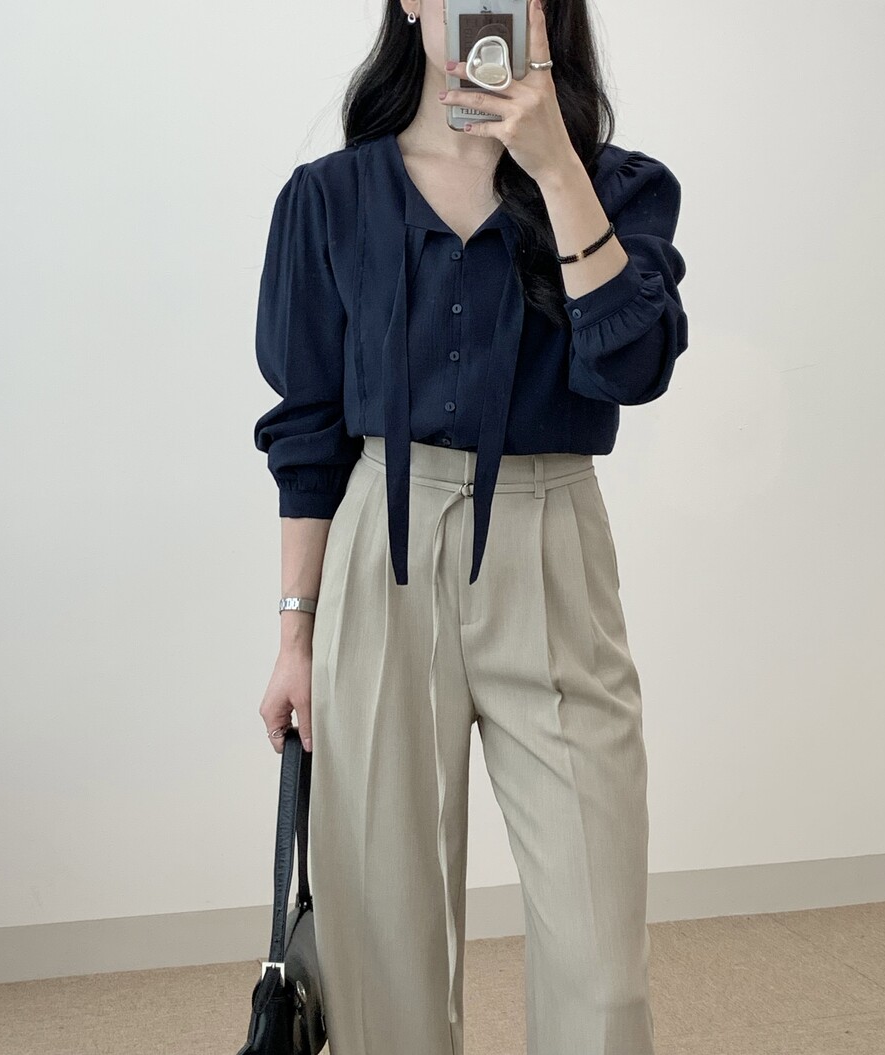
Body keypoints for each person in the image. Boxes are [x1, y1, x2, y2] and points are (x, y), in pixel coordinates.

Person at [253, 1, 688, 1052]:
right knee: (380, 944)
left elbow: (634, 367)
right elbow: (308, 429)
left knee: (601, 967)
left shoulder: (618, 186)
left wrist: (553, 164)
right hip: (380, 543)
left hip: (551, 539)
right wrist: (295, 636)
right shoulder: (329, 198)